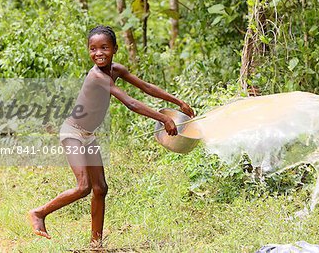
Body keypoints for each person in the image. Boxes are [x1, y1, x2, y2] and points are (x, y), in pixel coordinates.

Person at [28, 25, 194, 247]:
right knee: (83, 187)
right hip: (73, 133)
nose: (99, 53)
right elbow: (130, 102)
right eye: (93, 49)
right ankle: (39, 213)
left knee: (100, 189)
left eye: (104, 47)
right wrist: (164, 118)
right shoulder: (96, 76)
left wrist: (177, 102)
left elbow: (146, 87)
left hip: (88, 135)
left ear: (115, 48)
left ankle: (96, 245)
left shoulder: (116, 70)